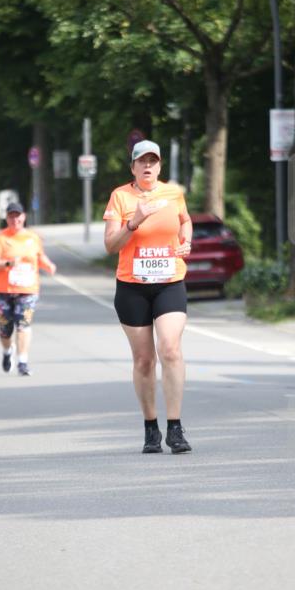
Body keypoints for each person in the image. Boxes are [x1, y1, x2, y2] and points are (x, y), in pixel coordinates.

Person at [103, 140, 193, 455]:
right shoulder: (120, 197)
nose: (148, 166)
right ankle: (150, 427)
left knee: (170, 349)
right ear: (133, 167)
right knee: (144, 360)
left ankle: (176, 427)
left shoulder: (173, 194)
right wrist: (134, 220)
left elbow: (185, 221)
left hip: (170, 281)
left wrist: (186, 242)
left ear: (159, 166)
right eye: (142, 161)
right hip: (132, 287)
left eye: (153, 161)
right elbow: (111, 245)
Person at [0, 201, 57, 377]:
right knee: (5, 330)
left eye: (18, 215)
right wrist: (8, 263)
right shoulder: (0, 238)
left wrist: (48, 265)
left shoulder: (33, 238)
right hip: (4, 290)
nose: (15, 219)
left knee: (23, 324)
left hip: (28, 289)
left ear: (24, 217)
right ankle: (7, 351)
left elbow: (40, 257)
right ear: (7, 218)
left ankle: (23, 361)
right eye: (11, 216)